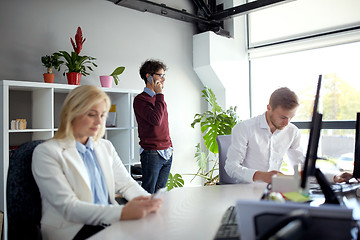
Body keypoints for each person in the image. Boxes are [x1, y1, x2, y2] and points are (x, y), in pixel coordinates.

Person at [32, 85, 162, 240]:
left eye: (102, 115)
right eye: (92, 114)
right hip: (72, 229)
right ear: (72, 114)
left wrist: (150, 202)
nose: (99, 122)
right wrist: (122, 212)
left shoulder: (105, 146)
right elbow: (68, 207)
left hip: (107, 221)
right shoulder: (47, 152)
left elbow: (126, 184)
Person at [225, 87, 304, 184]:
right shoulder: (244, 128)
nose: (287, 123)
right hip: (247, 190)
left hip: (274, 192)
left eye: (291, 117)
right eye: (283, 117)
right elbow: (231, 167)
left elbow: (300, 165)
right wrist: (261, 176)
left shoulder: (293, 131)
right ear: (269, 108)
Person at [133, 59, 173, 194]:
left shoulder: (159, 99)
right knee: (148, 194)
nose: (163, 79)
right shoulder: (140, 100)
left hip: (167, 152)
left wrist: (170, 145)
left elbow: (163, 124)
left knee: (161, 195)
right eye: (160, 75)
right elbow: (155, 120)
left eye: (164, 75)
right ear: (148, 76)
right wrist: (160, 94)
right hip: (152, 153)